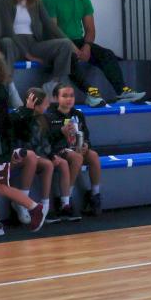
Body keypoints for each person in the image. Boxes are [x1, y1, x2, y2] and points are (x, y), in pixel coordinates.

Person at [43, 0, 145, 105]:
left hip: (79, 41)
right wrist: (74, 49)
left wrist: (87, 46)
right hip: (59, 45)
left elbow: (90, 29)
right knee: (69, 57)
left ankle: (122, 91)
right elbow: (54, 31)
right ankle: (91, 93)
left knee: (107, 54)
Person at [0, 0, 76, 101]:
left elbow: (49, 25)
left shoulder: (36, 1)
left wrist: (72, 44)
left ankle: (53, 84)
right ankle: (10, 88)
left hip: (33, 43)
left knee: (65, 44)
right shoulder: (5, 0)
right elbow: (8, 30)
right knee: (6, 41)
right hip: (14, 43)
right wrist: (28, 55)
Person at [11, 88, 81, 221]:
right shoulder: (21, 116)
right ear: (35, 105)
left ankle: (63, 204)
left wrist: (54, 150)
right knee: (48, 164)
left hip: (38, 153)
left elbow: (46, 141)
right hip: (21, 154)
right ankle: (32, 204)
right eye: (45, 103)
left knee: (62, 163)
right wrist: (50, 156)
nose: (48, 105)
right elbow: (29, 141)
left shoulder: (42, 118)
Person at [0, 53, 45, 234]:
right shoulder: (0, 89)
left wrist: (25, 111)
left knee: (0, 186)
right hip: (0, 144)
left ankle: (34, 207)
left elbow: (4, 122)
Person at [48, 83, 102, 214]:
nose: (69, 99)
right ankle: (66, 199)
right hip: (58, 150)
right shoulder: (50, 116)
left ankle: (95, 195)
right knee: (76, 157)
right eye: (64, 96)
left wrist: (86, 145)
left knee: (93, 155)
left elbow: (86, 134)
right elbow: (47, 139)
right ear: (56, 98)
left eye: (71, 96)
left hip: (76, 148)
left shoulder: (78, 114)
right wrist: (60, 132)